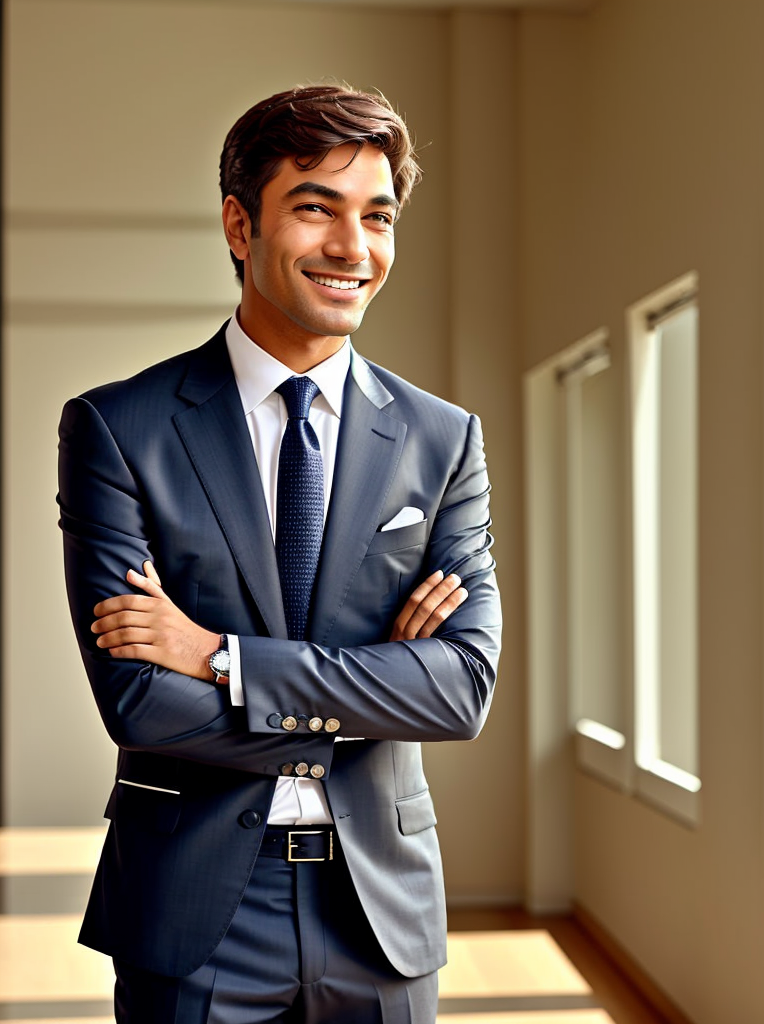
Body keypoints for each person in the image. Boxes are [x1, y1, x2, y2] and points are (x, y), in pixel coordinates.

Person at [57, 83, 501, 1024]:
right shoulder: (118, 428)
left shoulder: (443, 440)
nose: (353, 248)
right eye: (315, 207)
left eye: (376, 217)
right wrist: (378, 684)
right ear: (238, 223)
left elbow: (460, 689)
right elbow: (139, 702)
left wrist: (222, 660)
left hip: (379, 906)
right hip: (194, 906)